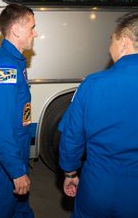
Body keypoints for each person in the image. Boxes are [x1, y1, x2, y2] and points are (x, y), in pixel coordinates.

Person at [59, 12, 138, 218]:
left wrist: (70, 172)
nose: (109, 46)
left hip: (99, 184)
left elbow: (71, 137)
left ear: (124, 42)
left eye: (111, 39)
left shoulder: (93, 84)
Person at [0, 3, 37, 218]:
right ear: (16, 30)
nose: (35, 33)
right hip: (7, 156)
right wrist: (16, 169)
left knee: (20, 208)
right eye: (31, 27)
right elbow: (2, 125)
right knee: (0, 210)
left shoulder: (16, 61)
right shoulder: (5, 66)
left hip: (17, 147)